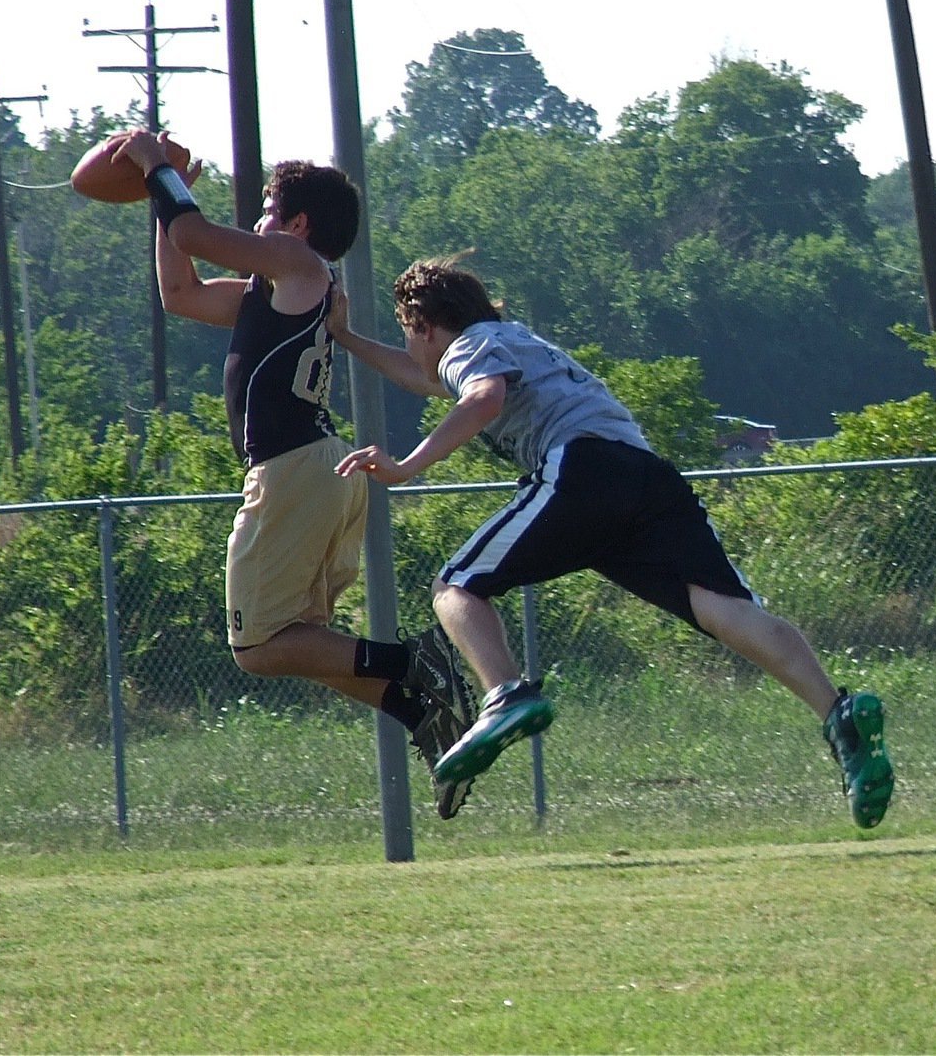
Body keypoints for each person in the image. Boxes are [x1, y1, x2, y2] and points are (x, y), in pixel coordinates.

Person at [327, 255, 895, 829]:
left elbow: (482, 400)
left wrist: (405, 466)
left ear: (424, 324)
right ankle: (837, 712)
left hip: (583, 468)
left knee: (456, 587)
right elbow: (422, 376)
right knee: (724, 609)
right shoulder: (510, 339)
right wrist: (346, 337)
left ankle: (504, 695)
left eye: (408, 333)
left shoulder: (470, 345)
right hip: (645, 476)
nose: (413, 349)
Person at [109, 131, 477, 819]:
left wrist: (161, 170)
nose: (260, 219)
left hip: (294, 470)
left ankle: (416, 663)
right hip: (316, 469)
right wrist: (153, 195)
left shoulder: (295, 260)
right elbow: (180, 291)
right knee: (310, 647)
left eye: (270, 206)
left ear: (298, 223)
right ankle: (425, 716)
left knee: (258, 647)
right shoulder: (273, 289)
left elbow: (191, 229)